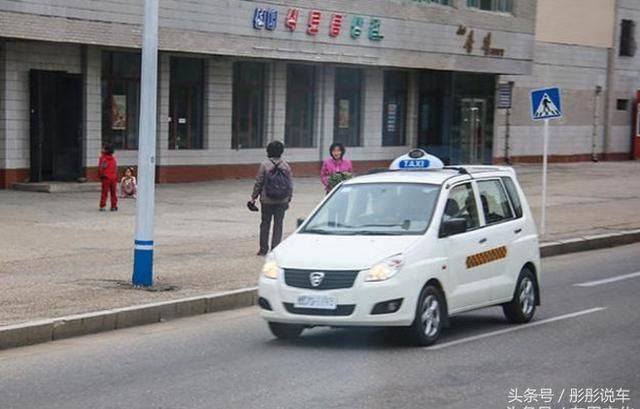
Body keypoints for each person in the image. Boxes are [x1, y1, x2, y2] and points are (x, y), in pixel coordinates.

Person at [250, 141, 293, 256]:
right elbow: (290, 184)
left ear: (268, 151)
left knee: (265, 223)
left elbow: (258, 182)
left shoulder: (264, 165)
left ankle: (263, 249)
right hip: (282, 200)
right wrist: (288, 199)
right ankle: (275, 248)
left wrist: (253, 197)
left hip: (267, 200)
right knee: (278, 224)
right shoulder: (286, 165)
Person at [98, 144, 118, 211]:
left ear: (106, 150)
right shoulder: (113, 159)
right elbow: (115, 168)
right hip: (113, 178)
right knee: (113, 193)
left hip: (106, 178)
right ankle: (114, 206)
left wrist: (101, 176)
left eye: (103, 148)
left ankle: (102, 205)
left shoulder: (103, 159)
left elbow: (101, 168)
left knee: (104, 193)